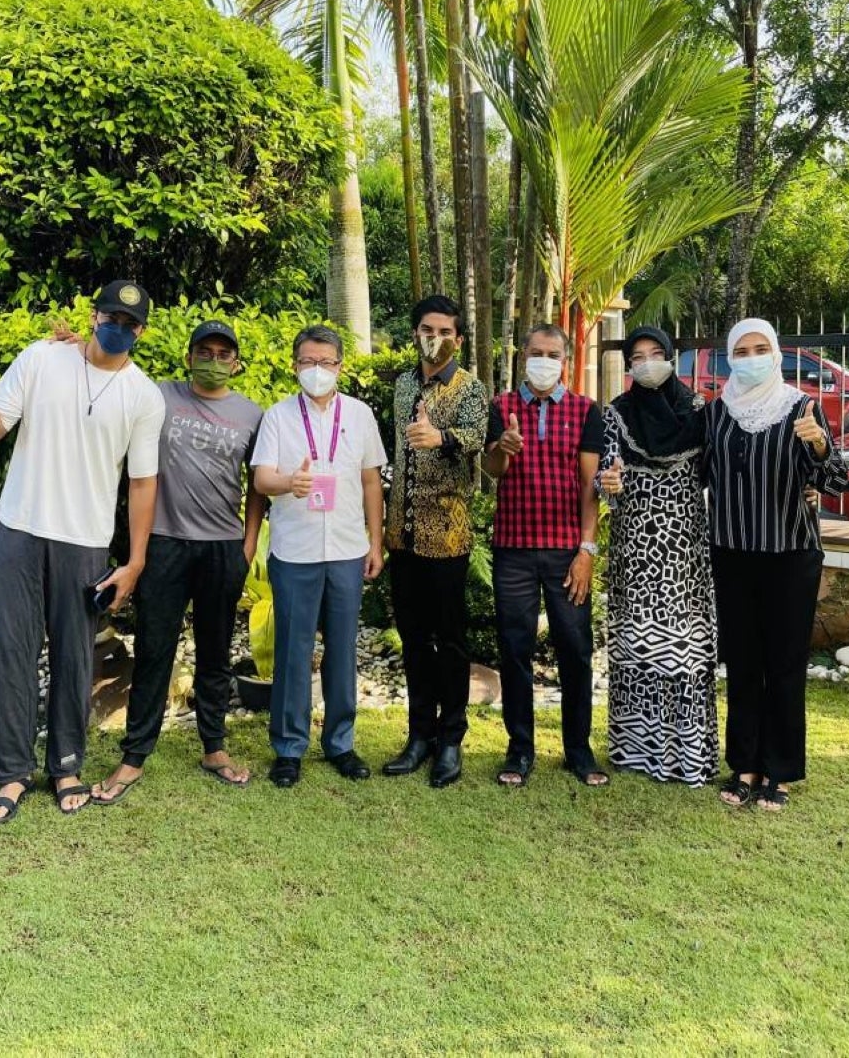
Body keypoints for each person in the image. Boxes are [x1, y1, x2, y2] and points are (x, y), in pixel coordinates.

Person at [0, 281, 165, 826]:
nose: (119, 326)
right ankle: (10, 773)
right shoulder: (43, 358)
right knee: (13, 651)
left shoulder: (144, 396)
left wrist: (135, 560)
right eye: (111, 315)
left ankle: (66, 766)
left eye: (131, 322)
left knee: (74, 656)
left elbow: (143, 484)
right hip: (21, 527)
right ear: (94, 315)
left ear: (141, 331)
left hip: (86, 539)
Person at [91, 319, 265, 806]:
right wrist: (73, 346)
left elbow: (259, 483)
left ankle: (214, 748)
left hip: (221, 548)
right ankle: (134, 755)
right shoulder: (158, 395)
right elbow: (110, 368)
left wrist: (247, 544)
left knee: (215, 653)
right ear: (189, 356)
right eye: (204, 351)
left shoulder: (253, 415)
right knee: (154, 649)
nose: (213, 360)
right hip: (165, 543)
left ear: (236, 361)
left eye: (223, 353)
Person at [705, 318, 846, 812]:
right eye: (740, 350)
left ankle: (780, 771)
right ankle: (744, 764)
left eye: (760, 348)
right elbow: (694, 470)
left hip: (790, 555)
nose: (750, 357)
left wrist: (820, 446)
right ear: (728, 357)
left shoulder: (801, 407)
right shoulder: (717, 412)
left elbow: (836, 479)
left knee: (783, 666)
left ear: (778, 353)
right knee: (743, 664)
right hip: (732, 552)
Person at [251, 325, 386, 788]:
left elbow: (371, 481)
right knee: (293, 651)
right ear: (295, 366)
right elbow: (261, 479)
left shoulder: (361, 415)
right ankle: (288, 748)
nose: (317, 370)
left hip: (348, 549)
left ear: (340, 367)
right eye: (308, 362)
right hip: (296, 551)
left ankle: (341, 743)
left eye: (326, 362)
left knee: (343, 649)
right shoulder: (278, 417)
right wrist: (290, 482)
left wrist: (377, 541)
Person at [485, 323, 607, 787]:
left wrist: (586, 549)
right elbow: (492, 469)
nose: (543, 360)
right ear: (524, 357)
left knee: (574, 649)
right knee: (514, 648)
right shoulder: (501, 406)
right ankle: (519, 750)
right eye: (535, 352)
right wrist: (504, 449)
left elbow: (589, 487)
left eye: (552, 353)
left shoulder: (584, 411)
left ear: (565, 361)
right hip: (512, 549)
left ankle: (578, 749)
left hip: (565, 553)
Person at [597, 326, 718, 787]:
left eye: (656, 354)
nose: (647, 363)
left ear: (672, 357)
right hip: (635, 547)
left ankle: (686, 755)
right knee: (639, 643)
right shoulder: (616, 413)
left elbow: (720, 471)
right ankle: (637, 749)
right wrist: (605, 486)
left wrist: (801, 486)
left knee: (681, 648)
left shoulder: (699, 411)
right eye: (638, 356)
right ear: (629, 365)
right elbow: (603, 478)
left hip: (684, 545)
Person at [382, 296, 488, 789]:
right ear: (415, 332)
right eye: (427, 328)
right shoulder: (403, 384)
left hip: (446, 536)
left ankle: (450, 740)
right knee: (414, 640)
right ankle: (418, 735)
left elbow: (477, 437)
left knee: (450, 643)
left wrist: (440, 437)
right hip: (401, 536)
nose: (434, 338)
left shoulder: (470, 388)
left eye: (444, 331)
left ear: (458, 339)